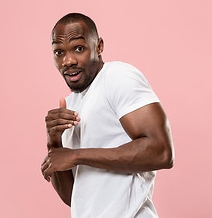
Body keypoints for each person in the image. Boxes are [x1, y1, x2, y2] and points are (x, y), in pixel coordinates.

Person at [41, 13, 174, 218]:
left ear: (99, 46)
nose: (68, 60)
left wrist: (76, 155)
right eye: (59, 52)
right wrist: (54, 143)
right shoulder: (70, 105)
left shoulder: (117, 76)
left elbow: (162, 152)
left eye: (78, 48)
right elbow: (73, 197)